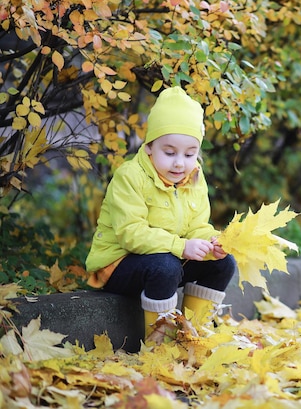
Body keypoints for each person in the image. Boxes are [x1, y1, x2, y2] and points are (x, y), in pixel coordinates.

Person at [85, 86, 237, 342]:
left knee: (222, 263)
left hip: (167, 259)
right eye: (169, 153)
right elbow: (130, 234)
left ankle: (193, 335)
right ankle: (161, 345)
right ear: (149, 147)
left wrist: (211, 242)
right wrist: (181, 246)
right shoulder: (130, 177)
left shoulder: (194, 177)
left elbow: (197, 225)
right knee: (164, 265)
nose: (180, 162)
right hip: (120, 265)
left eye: (190, 154)